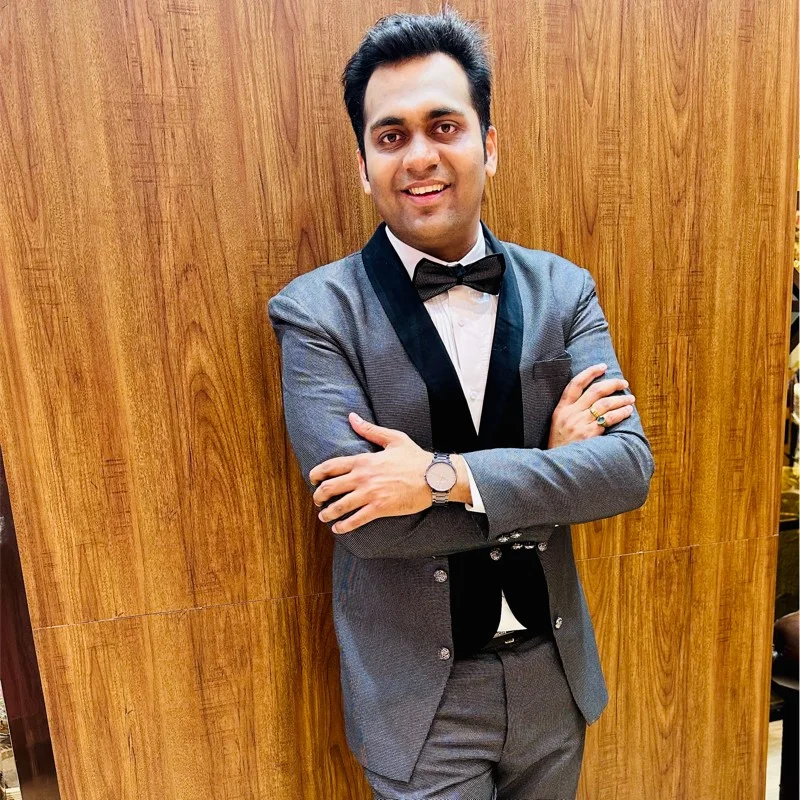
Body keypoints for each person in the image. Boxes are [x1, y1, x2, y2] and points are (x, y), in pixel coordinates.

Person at [268, 10, 654, 799]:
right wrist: (550, 472)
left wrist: (440, 479)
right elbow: (370, 526)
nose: (420, 156)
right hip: (420, 704)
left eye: (444, 126)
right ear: (364, 165)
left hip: (554, 678)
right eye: (391, 136)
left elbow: (625, 470)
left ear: (489, 144)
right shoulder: (314, 314)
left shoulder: (564, 291)